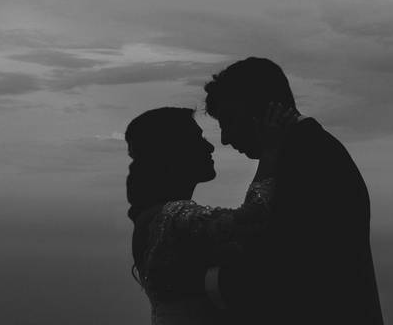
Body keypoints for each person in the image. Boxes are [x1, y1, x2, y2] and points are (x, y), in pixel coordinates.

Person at [201, 57, 384, 324]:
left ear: (260, 112)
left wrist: (206, 279)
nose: (225, 138)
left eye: (229, 121)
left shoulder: (307, 158)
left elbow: (285, 269)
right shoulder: (305, 150)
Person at [125, 105, 295, 325]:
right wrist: (270, 152)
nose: (210, 146)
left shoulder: (160, 217)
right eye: (198, 138)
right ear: (172, 151)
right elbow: (253, 219)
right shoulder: (170, 217)